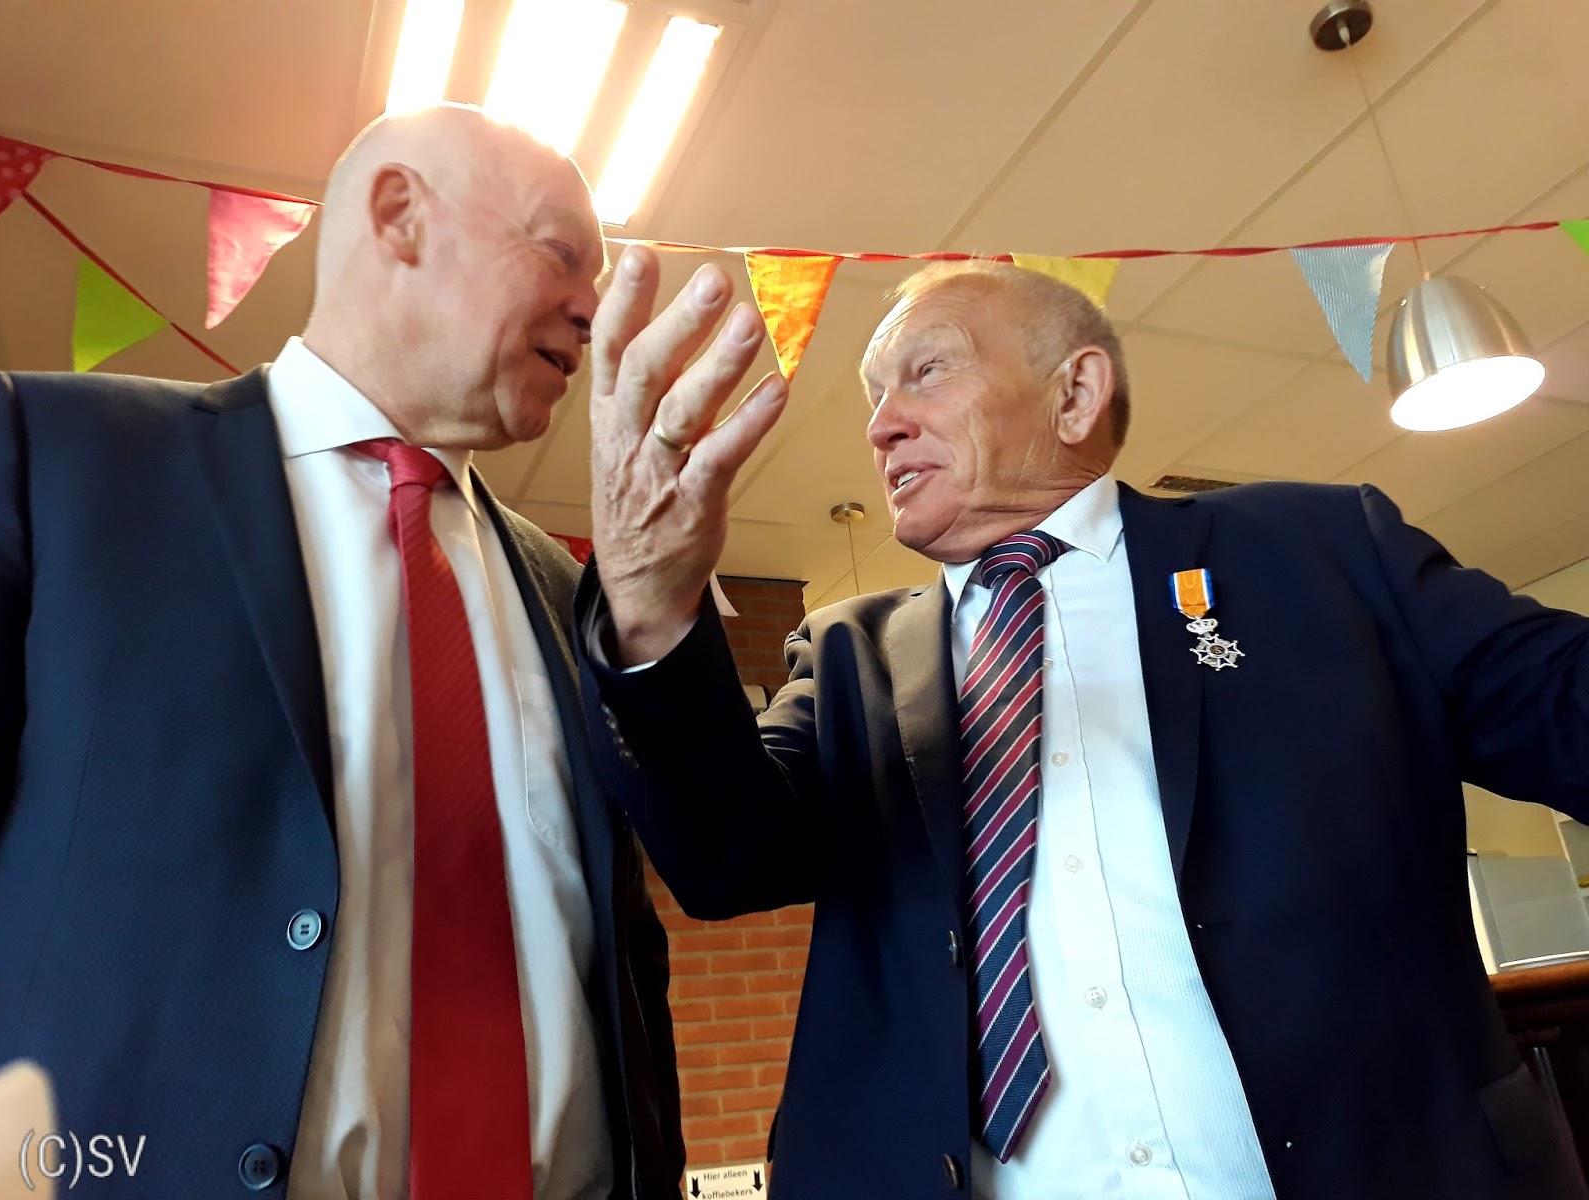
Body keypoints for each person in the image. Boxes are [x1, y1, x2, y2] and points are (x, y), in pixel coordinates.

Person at [576, 249, 1589, 1200]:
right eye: (874, 398)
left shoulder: (1322, 552)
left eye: (925, 372)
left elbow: (1566, 710)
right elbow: (725, 858)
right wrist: (652, 613)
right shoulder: (847, 657)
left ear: (1075, 393)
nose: (881, 425)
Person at [0, 104, 682, 1200]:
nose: (593, 311)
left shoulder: (571, 589)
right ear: (400, 215)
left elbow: (631, 952)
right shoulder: (48, 455)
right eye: (561, 253)